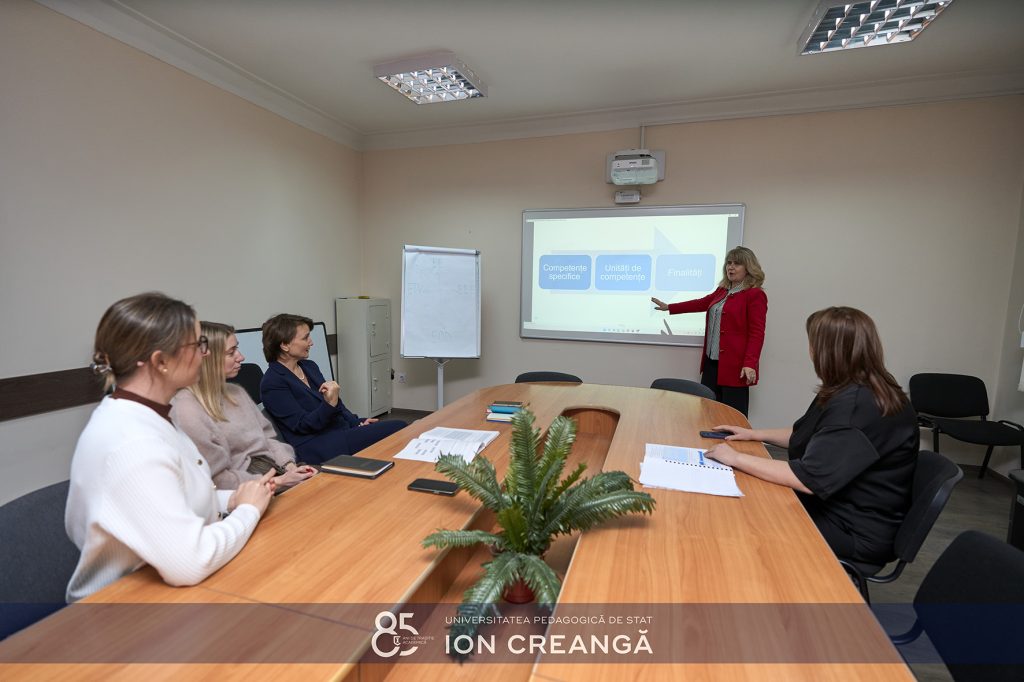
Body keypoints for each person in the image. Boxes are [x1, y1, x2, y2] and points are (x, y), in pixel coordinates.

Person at [65, 293, 275, 602]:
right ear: (160, 361)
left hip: (163, 586)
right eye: (198, 345)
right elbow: (190, 563)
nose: (206, 353)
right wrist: (247, 510)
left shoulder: (151, 415)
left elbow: (177, 494)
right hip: (123, 608)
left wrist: (232, 499)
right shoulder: (133, 442)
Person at [706, 306, 919, 566]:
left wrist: (735, 458)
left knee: (748, 516)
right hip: (834, 504)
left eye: (812, 343)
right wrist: (753, 434)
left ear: (825, 350)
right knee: (751, 497)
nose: (809, 350)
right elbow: (806, 434)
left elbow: (808, 478)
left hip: (854, 529)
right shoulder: (857, 386)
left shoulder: (857, 406)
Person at [172, 321, 317, 491]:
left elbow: (269, 438)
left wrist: (290, 467)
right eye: (231, 352)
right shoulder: (187, 410)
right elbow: (217, 479)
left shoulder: (236, 392)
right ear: (207, 358)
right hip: (247, 491)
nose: (241, 357)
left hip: (273, 475)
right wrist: (277, 482)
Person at [259, 314, 405, 465]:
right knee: (399, 428)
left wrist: (357, 422)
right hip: (317, 444)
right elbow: (303, 425)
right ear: (284, 345)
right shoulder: (272, 382)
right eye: (305, 338)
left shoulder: (309, 367)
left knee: (398, 430)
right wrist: (329, 404)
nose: (311, 342)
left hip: (338, 433)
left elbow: (337, 405)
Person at [651, 246, 767, 416]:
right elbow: (701, 303)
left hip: (735, 366)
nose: (731, 267)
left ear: (748, 268)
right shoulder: (722, 291)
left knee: (733, 416)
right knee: (707, 413)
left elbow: (757, 333)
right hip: (711, 364)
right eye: (729, 263)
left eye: (737, 264)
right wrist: (670, 307)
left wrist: (750, 363)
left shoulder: (754, 294)